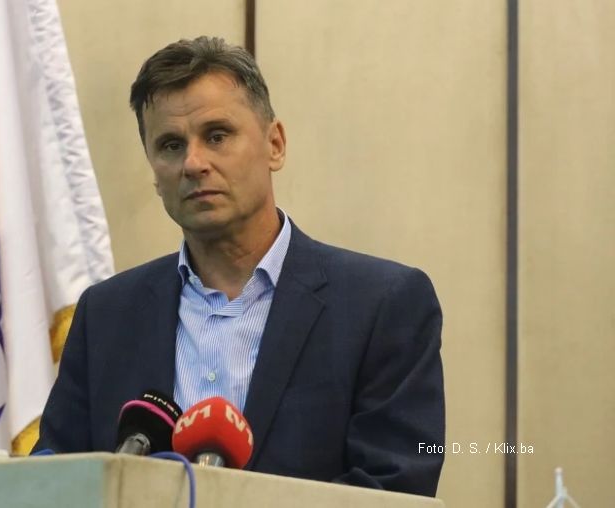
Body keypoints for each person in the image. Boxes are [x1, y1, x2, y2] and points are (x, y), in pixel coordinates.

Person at [34, 36, 445, 497]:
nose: (193, 163)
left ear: (275, 144)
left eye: (217, 136)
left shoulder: (382, 305)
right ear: (154, 171)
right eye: (170, 145)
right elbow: (52, 484)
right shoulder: (105, 314)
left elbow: (395, 485)